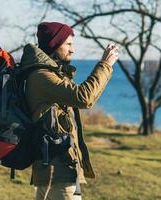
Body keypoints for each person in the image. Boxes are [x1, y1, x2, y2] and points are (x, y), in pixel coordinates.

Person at [20, 22, 118, 200]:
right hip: (58, 173)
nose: (72, 50)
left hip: (60, 170)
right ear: (54, 45)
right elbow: (83, 97)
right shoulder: (42, 76)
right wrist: (105, 65)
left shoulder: (47, 74)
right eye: (68, 44)